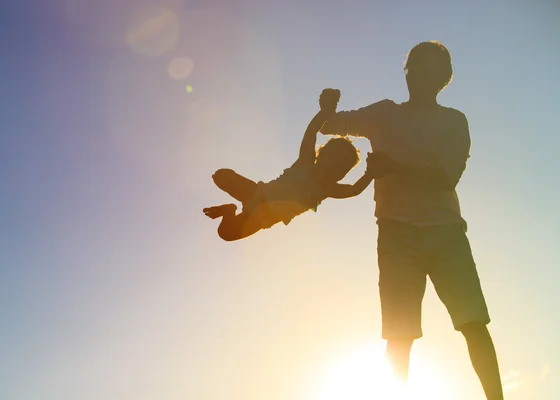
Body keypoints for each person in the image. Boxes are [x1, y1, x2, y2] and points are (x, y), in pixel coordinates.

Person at [319, 41, 504, 399]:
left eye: (430, 69)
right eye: (415, 67)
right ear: (407, 73)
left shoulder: (454, 121)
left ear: (443, 79)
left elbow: (445, 176)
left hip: (446, 234)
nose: (419, 75)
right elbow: (331, 125)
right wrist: (327, 106)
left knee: (473, 323)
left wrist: (393, 167)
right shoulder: (383, 113)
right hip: (395, 234)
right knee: (399, 335)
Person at [203, 90, 377, 241]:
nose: (335, 171)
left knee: (225, 233)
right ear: (321, 156)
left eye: (341, 170)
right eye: (334, 163)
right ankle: (229, 194)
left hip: (261, 217)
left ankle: (229, 210)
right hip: (257, 193)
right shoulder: (305, 162)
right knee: (221, 176)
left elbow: (354, 189)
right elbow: (311, 133)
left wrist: (371, 172)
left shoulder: (327, 189)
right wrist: (325, 111)